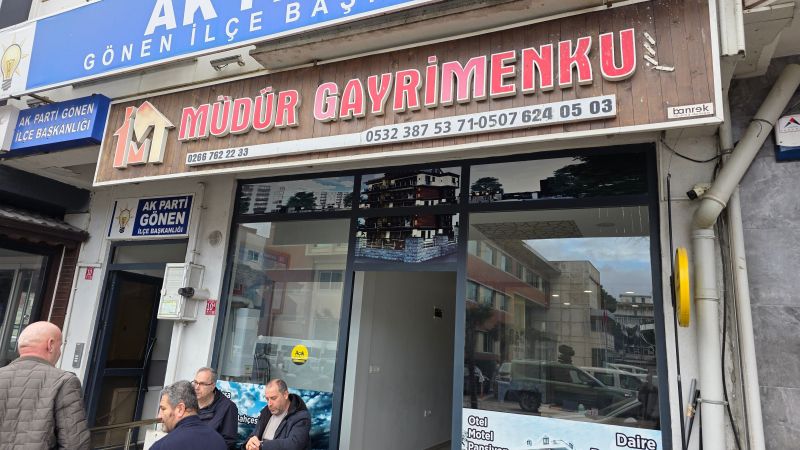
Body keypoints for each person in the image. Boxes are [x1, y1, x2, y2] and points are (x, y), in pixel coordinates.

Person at [0, 321, 90, 450]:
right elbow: (75, 444)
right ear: (50, 345)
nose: (59, 352)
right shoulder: (65, 381)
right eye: (60, 346)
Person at [152, 380, 227, 450]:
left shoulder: (162, 446)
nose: (159, 416)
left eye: (163, 409)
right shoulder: (219, 441)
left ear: (180, 409)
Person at [244, 379, 310, 450]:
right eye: (267, 399)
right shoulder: (266, 412)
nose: (269, 404)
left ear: (285, 394)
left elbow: (294, 444)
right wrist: (248, 444)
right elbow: (253, 435)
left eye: (273, 398)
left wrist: (261, 446)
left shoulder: (301, 416)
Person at [194, 367, 239, 449]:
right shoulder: (189, 402)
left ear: (213, 386)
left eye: (202, 384)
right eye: (195, 382)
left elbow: (228, 443)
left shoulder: (227, 407)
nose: (197, 387)